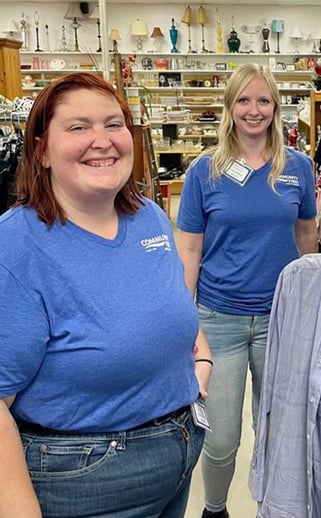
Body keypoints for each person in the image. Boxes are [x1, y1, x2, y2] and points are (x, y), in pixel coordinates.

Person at [0, 72, 212, 518]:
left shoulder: (149, 217)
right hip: (86, 481)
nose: (103, 140)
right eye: (78, 127)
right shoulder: (16, 246)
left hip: (177, 457)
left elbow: (170, 306)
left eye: (114, 124)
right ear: (41, 151)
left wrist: (200, 362)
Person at [177, 63, 318, 518]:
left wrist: (312, 305)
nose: (253, 110)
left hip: (281, 318)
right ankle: (214, 509)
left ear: (276, 106)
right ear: (229, 107)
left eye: (262, 100)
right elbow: (190, 250)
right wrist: (187, 323)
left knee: (275, 429)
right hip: (219, 319)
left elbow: (306, 239)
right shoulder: (204, 171)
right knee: (220, 437)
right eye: (243, 100)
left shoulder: (297, 167)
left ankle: (273, 507)